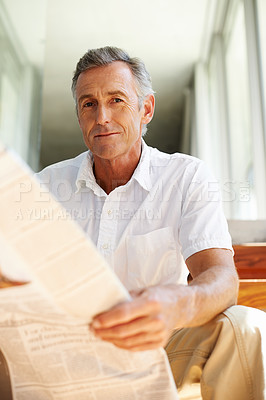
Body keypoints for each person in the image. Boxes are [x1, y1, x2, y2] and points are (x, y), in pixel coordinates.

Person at [37, 46, 266, 399]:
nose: (102, 117)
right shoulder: (46, 186)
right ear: (79, 115)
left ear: (146, 109)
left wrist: (179, 304)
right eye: (89, 104)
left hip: (158, 354)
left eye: (116, 100)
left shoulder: (187, 176)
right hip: (60, 357)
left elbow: (222, 279)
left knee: (245, 326)